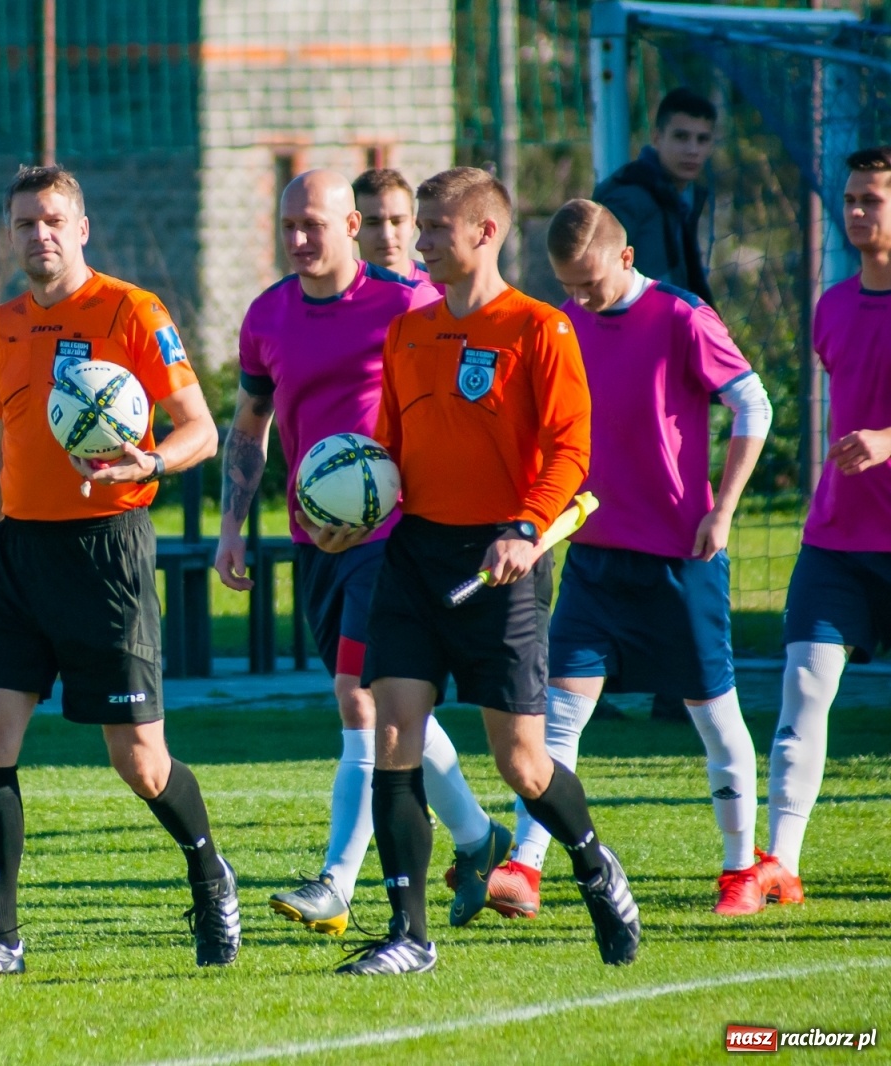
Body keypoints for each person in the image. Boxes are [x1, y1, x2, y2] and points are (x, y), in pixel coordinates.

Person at [0, 165, 238, 980]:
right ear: (11, 235)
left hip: (106, 551)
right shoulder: (2, 324)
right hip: (18, 556)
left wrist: (152, 461)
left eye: (54, 220)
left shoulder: (133, 312)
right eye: (26, 223)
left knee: (140, 763)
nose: (41, 235)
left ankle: (209, 873)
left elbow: (200, 430)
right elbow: (5, 441)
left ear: (82, 228)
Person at [343, 167, 640, 976]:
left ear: (485, 232)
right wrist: (353, 513)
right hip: (414, 557)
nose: (420, 241)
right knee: (392, 733)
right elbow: (387, 452)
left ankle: (593, 866)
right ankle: (409, 934)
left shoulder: (541, 328)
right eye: (420, 227)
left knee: (522, 763)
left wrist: (526, 527)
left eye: (436, 228)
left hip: (502, 560)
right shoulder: (407, 332)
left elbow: (571, 452)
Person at [216, 170, 511, 939]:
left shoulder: (408, 303)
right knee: (386, 705)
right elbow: (249, 424)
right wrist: (232, 524)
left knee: (360, 698)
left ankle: (337, 884)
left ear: (351, 226)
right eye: (288, 225)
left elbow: (462, 401)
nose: (298, 239)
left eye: (312, 224)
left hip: (391, 538)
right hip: (315, 539)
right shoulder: (267, 314)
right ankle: (480, 838)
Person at [474, 199, 772, 919]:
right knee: (555, 719)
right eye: (566, 286)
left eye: (590, 282)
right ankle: (525, 866)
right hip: (595, 558)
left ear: (626, 257)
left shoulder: (681, 316)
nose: (579, 298)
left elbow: (754, 406)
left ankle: (741, 869)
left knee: (713, 714)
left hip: (681, 557)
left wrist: (723, 509)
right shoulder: (562, 325)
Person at [761, 145, 891, 904]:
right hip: (835, 542)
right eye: (851, 199)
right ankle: (780, 862)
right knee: (804, 689)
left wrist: (888, 441)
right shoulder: (832, 305)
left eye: (873, 199)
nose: (857, 211)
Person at [594, 88, 717, 305]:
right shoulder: (628, 197)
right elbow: (593, 275)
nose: (692, 149)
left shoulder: (681, 197)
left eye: (702, 139)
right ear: (657, 138)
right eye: (681, 137)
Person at [352, 168, 438, 290]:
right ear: (353, 226)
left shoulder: (443, 288)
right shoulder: (335, 291)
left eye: (397, 221)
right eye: (373, 223)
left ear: (413, 224)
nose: (387, 235)